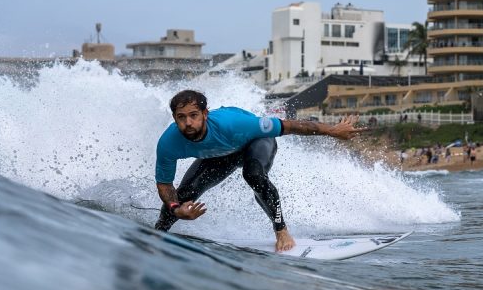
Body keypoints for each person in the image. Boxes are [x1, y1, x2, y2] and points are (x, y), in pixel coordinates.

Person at [153, 90, 365, 252]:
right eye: (181, 117)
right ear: (174, 118)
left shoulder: (236, 124)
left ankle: (281, 230)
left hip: (256, 142)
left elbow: (289, 125)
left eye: (193, 115)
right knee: (180, 198)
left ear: (205, 114)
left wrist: (333, 130)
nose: (188, 123)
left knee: (253, 174)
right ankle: (155, 239)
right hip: (220, 156)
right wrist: (175, 208)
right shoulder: (169, 143)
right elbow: (164, 185)